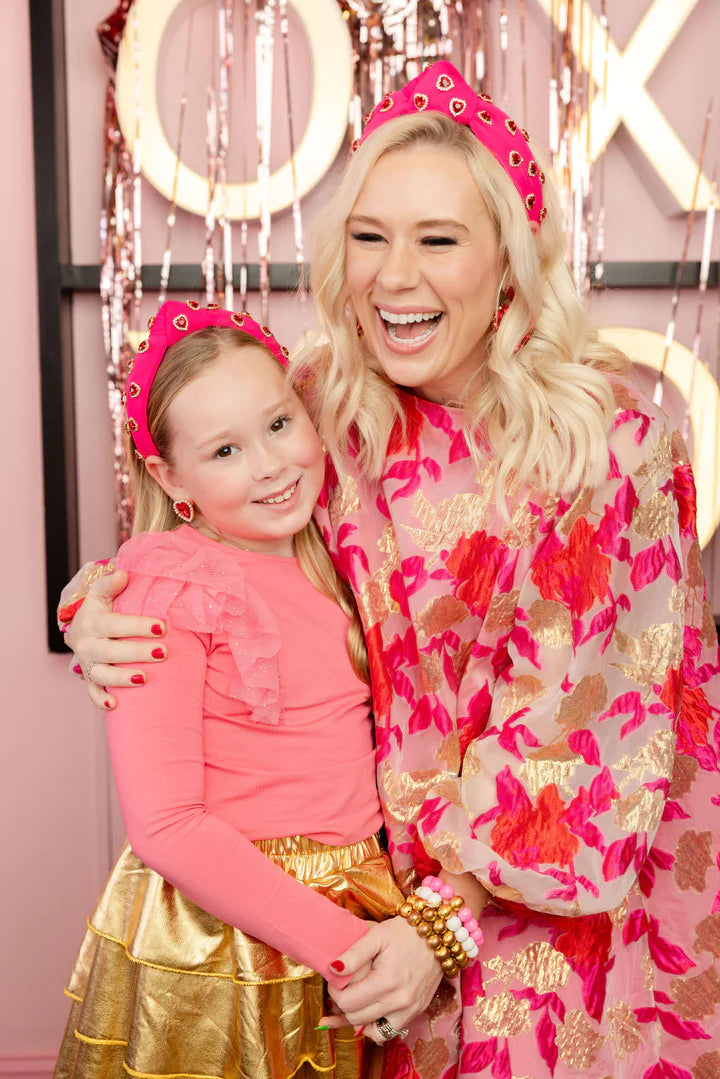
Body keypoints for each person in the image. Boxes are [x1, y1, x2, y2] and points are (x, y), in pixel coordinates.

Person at [62, 62, 720, 1078]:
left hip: (543, 909)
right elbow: (218, 519)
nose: (393, 277)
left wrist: (438, 928)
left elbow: (579, 735)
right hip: (364, 912)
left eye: (438, 240)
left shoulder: (610, 451)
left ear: (510, 260)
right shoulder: (328, 401)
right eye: (369, 236)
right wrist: (97, 602)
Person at [53, 300, 415, 1079]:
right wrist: (345, 948)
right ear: (168, 475)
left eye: (280, 424)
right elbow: (167, 824)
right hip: (235, 934)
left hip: (359, 893)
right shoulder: (170, 583)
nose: (270, 465)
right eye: (224, 450)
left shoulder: (335, 548)